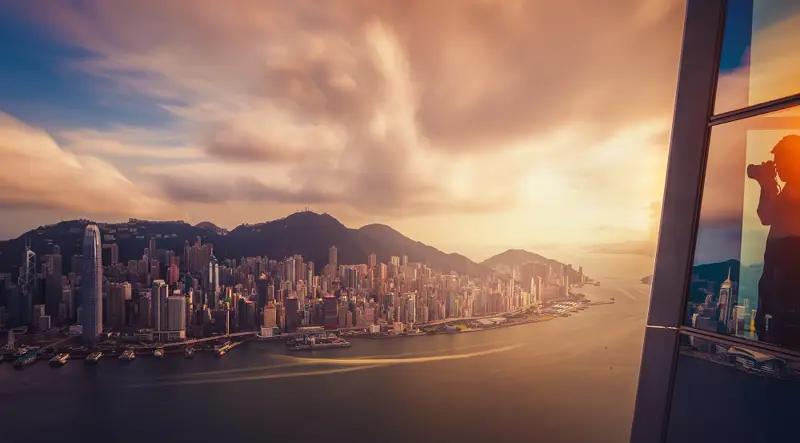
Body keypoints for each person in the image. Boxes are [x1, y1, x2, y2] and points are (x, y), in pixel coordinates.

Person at [749, 134, 800, 348]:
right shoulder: (789, 189)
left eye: (780, 160)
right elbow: (766, 216)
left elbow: (768, 215)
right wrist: (767, 184)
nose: (777, 166)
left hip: (787, 284)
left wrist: (767, 183)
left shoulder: (795, 190)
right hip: (777, 279)